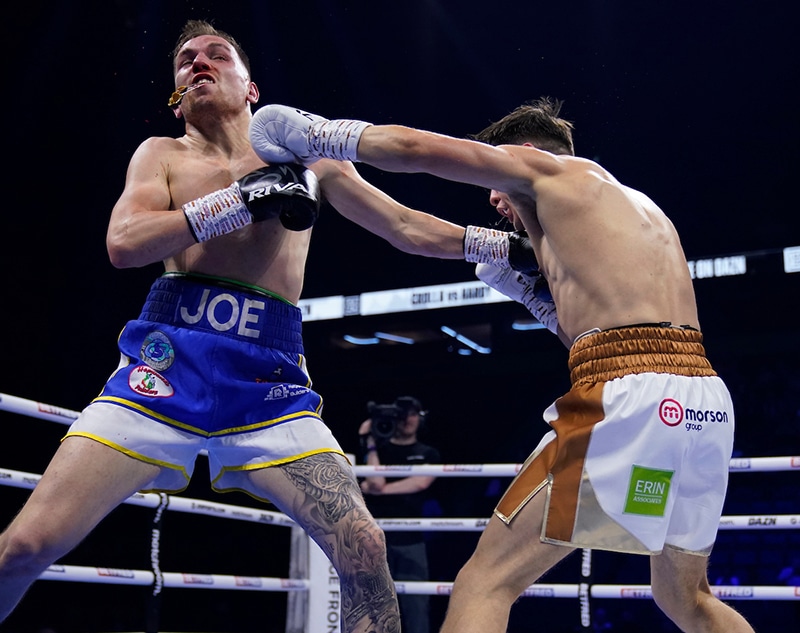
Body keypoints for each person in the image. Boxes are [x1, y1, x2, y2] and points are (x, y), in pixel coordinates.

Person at [0, 20, 537, 631]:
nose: (198, 64)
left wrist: (511, 249)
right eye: (184, 61)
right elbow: (124, 244)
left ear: (251, 87)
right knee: (25, 545)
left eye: (216, 55)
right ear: (176, 92)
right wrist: (236, 201)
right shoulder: (162, 154)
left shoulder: (306, 157)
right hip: (162, 371)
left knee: (365, 548)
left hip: (271, 385)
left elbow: (406, 227)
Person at [248, 99, 756, 632]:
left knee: (484, 584)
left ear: (524, 153)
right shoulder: (634, 210)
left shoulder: (549, 172)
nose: (494, 201)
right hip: (703, 405)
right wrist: (536, 301)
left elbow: (418, 150)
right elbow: (411, 230)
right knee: (686, 598)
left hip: (628, 397)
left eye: (497, 174)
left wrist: (320, 133)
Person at [358, 397, 441, 633]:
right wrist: (371, 442)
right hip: (374, 538)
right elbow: (374, 480)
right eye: (402, 414)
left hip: (410, 540)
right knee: (373, 606)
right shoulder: (378, 450)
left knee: (416, 606)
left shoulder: (428, 453)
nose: (407, 419)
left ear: (420, 418)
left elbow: (420, 482)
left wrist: (381, 489)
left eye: (413, 414)